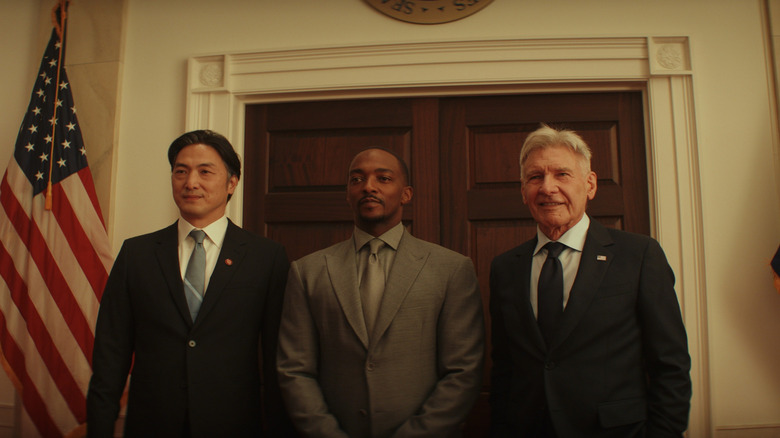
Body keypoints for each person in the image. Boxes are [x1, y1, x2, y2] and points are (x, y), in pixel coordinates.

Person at [489, 125, 691, 437]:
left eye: (562, 174)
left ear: (590, 184)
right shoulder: (505, 267)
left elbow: (670, 363)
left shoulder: (638, 255)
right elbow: (504, 366)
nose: (548, 187)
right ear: (523, 190)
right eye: (535, 177)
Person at [87, 130, 290, 437]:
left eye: (205, 172)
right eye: (181, 171)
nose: (190, 182)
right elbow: (110, 353)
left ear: (232, 182)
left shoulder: (267, 257)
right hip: (151, 423)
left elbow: (278, 356)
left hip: (233, 424)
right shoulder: (136, 254)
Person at [277, 147, 485, 437]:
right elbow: (295, 369)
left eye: (383, 178)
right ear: (347, 193)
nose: (368, 187)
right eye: (357, 179)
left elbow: (463, 370)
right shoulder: (308, 272)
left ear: (406, 194)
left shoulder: (451, 269)